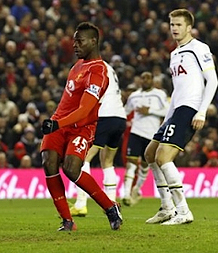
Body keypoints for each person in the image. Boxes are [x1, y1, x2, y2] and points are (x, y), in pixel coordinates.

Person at [40, 22, 122, 231]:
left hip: (82, 127)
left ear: (93, 41)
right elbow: (67, 100)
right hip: (61, 122)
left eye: (79, 41)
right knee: (48, 162)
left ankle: (110, 207)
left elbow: (85, 110)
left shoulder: (98, 71)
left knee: (71, 168)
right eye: (74, 40)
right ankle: (67, 221)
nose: (74, 44)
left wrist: (58, 123)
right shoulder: (77, 66)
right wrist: (56, 121)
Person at [144, 9, 218, 225]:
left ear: (188, 27)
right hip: (177, 109)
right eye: (172, 24)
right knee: (150, 154)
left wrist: (202, 110)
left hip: (191, 108)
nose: (174, 28)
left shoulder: (199, 48)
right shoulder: (174, 54)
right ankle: (167, 207)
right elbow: (177, 91)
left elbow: (212, 80)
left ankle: (183, 211)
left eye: (178, 25)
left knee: (163, 157)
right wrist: (167, 118)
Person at [70, 61, 127, 217]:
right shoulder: (109, 66)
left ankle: (81, 204)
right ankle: (111, 203)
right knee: (107, 161)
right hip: (119, 118)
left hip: (104, 116)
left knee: (83, 158)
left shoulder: (92, 67)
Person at [122, 72, 168, 206]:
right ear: (140, 80)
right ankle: (126, 194)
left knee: (145, 164)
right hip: (136, 132)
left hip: (152, 134)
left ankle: (137, 189)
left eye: (148, 77)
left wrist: (151, 110)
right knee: (131, 163)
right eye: (143, 78)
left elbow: (167, 111)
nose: (145, 80)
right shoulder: (134, 95)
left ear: (152, 80)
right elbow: (125, 110)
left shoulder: (159, 94)